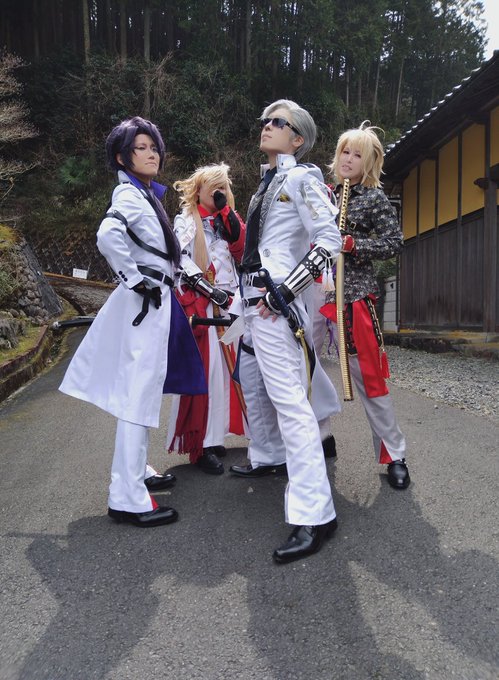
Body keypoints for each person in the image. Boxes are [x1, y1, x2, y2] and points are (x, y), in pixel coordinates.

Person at [59, 116, 207, 527]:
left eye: (154, 146)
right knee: (137, 395)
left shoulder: (145, 196)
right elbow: (108, 235)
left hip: (155, 300)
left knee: (142, 391)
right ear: (123, 157)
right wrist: (135, 279)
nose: (151, 153)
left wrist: (198, 285)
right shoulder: (128, 196)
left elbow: (167, 256)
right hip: (147, 303)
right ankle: (126, 496)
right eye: (141, 148)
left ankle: (136, 471)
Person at [230, 99, 342, 564]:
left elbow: (329, 239)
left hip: (276, 304)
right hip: (253, 303)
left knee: (291, 406)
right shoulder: (266, 182)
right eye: (266, 121)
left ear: (298, 138)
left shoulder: (301, 178)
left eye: (278, 123)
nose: (267, 126)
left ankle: (315, 513)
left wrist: (286, 291)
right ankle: (269, 456)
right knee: (258, 388)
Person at [320, 121, 410, 489]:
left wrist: (355, 244)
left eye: (357, 155)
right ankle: (321, 437)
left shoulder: (373, 198)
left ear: (369, 162)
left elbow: (394, 242)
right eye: (345, 151)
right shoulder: (321, 195)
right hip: (314, 295)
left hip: (353, 296)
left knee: (370, 377)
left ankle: (394, 454)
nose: (348, 159)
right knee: (306, 370)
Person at [167, 163, 246, 474]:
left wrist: (228, 216)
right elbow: (179, 261)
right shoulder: (187, 221)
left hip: (232, 305)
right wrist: (211, 292)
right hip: (202, 307)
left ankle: (218, 435)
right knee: (208, 372)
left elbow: (243, 253)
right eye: (212, 187)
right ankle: (202, 444)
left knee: (231, 372)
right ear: (197, 190)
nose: (218, 192)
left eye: (223, 187)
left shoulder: (230, 221)